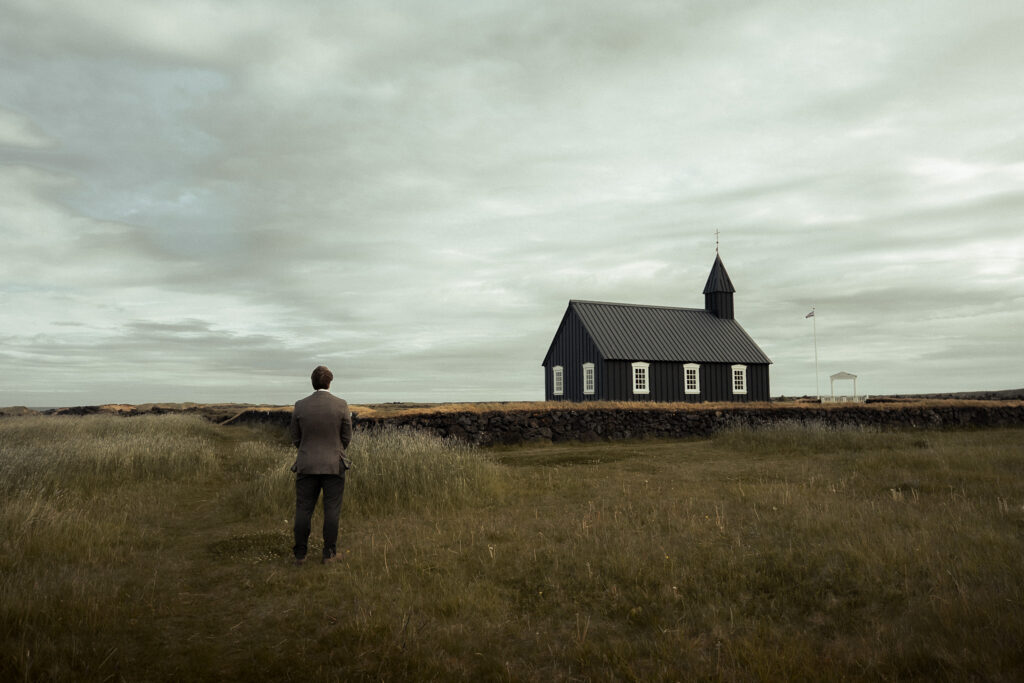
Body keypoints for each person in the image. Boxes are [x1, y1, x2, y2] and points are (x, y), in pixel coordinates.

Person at [287, 365, 353, 566]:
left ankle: (300, 555)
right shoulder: (341, 405)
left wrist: (306, 450)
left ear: (313, 382)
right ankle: (329, 554)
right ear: (329, 382)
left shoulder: (300, 406)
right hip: (334, 465)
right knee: (331, 509)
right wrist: (336, 450)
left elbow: (295, 437)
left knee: (303, 509)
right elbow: (346, 437)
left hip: (306, 464)